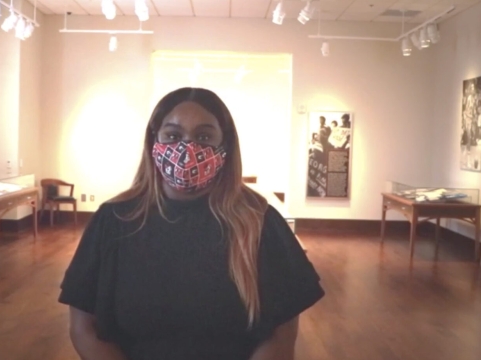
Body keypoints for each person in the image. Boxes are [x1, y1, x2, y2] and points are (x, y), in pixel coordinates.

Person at [58, 87, 324, 360]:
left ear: (225, 145)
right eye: (173, 135)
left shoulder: (261, 223)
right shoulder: (113, 220)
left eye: (204, 136)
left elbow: (281, 336)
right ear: (154, 141)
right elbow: (83, 328)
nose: (187, 149)